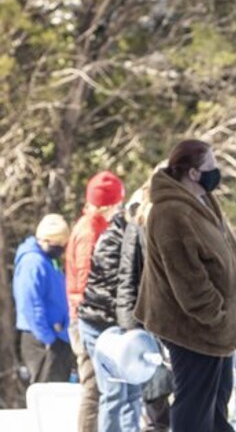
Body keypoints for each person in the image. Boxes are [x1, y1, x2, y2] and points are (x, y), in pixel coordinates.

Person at [136, 140, 236, 432]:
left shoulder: (203, 200)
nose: (217, 172)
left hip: (216, 330)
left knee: (216, 404)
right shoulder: (171, 212)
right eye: (210, 167)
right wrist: (218, 318)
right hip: (193, 328)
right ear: (192, 173)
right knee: (195, 405)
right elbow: (188, 279)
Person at [78, 191, 144, 432]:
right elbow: (114, 288)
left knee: (134, 388)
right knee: (115, 390)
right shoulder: (114, 238)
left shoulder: (138, 237)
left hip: (125, 325)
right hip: (100, 322)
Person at [67, 170, 125, 432]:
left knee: (100, 385)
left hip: (91, 315)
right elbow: (85, 281)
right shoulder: (90, 232)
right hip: (87, 318)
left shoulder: (98, 226)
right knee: (94, 385)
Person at [115, 181, 172, 432]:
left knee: (189, 397)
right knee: (155, 395)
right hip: (149, 322)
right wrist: (130, 328)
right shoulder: (138, 225)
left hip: (184, 325)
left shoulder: (187, 219)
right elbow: (127, 279)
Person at [14, 213, 74, 383]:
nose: (62, 247)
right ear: (48, 241)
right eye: (59, 244)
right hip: (42, 340)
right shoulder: (33, 263)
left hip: (58, 336)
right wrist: (48, 337)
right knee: (48, 392)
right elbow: (31, 303)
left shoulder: (49, 261)